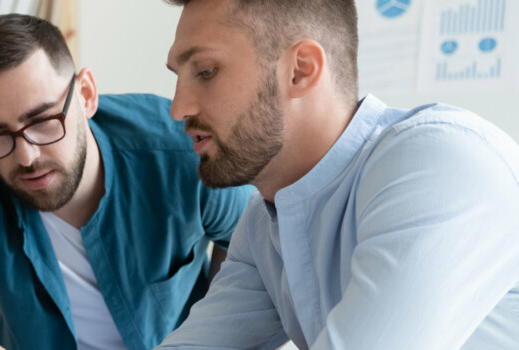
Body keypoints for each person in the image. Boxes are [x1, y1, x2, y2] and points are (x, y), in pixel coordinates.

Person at [0, 14, 255, 350]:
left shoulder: (182, 150)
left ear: (86, 95)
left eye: (42, 121)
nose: (25, 156)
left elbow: (250, 252)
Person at [158, 0, 519, 348]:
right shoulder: (261, 226)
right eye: (179, 77)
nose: (178, 109)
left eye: (205, 71)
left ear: (301, 70)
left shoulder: (439, 164)